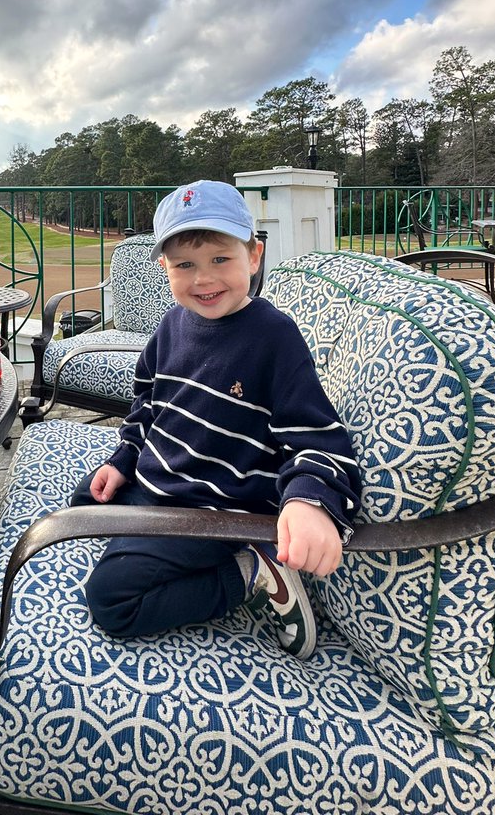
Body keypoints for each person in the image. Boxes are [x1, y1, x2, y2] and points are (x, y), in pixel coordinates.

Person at [70, 180, 361, 658]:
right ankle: (138, 532)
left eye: (219, 259)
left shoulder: (273, 338)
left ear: (253, 256)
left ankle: (251, 571)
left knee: (112, 599)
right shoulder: (171, 324)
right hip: (162, 480)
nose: (203, 279)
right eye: (185, 265)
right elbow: (148, 401)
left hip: (217, 509)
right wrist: (123, 459)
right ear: (164, 267)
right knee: (85, 499)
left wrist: (311, 503)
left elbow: (319, 439)